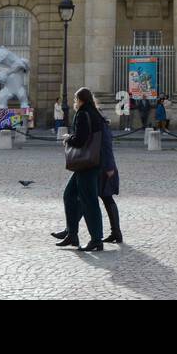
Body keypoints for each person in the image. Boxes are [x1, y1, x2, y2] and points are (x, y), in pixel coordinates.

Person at [56, 88, 107, 251]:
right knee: (70, 195)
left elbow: (80, 140)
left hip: (86, 163)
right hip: (93, 161)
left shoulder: (83, 114)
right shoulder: (95, 113)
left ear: (80, 99)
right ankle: (72, 234)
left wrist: (67, 138)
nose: (74, 102)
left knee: (89, 201)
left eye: (75, 99)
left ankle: (96, 239)